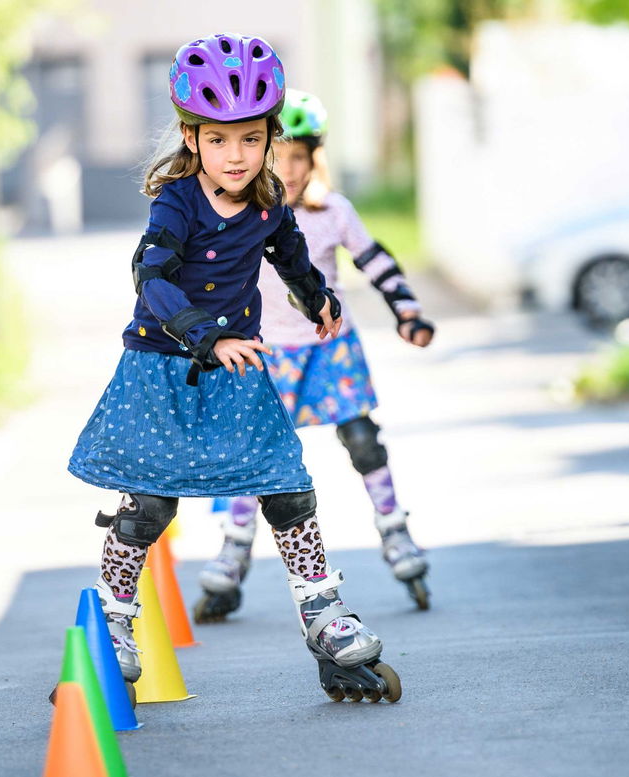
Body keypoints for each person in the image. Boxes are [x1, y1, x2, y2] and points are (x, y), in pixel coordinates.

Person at [68, 35, 399, 703]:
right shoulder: (177, 202)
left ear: (269, 137)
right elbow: (151, 278)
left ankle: (325, 617)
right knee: (150, 502)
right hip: (162, 368)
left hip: (237, 370)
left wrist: (318, 298)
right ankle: (113, 621)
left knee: (286, 488)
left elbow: (291, 253)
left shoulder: (269, 201)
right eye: (220, 140)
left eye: (251, 139)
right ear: (192, 139)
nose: (237, 155)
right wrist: (209, 336)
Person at [192, 89, 435, 626]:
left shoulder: (332, 211)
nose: (288, 170)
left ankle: (395, 531)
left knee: (362, 437)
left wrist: (408, 312)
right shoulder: (240, 212)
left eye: (298, 158)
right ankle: (233, 552)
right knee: (250, 455)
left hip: (329, 349)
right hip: (264, 351)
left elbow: (375, 261)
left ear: (313, 159)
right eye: (277, 157)